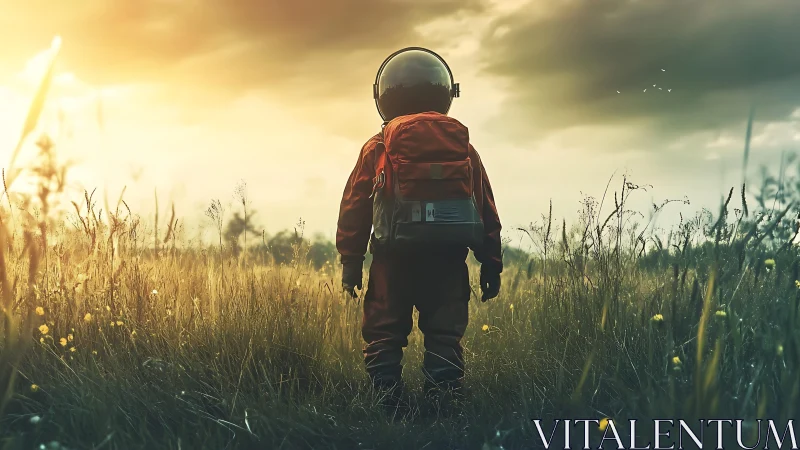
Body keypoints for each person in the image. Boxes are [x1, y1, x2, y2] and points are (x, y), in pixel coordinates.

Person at [336, 47, 502, 415]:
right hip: (447, 260)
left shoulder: (377, 147)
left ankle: (387, 403)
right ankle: (444, 402)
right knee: (445, 332)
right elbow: (486, 209)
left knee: (383, 332)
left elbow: (354, 207)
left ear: (384, 96)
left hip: (392, 260)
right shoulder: (464, 150)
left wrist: (351, 262)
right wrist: (492, 264)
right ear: (445, 94)